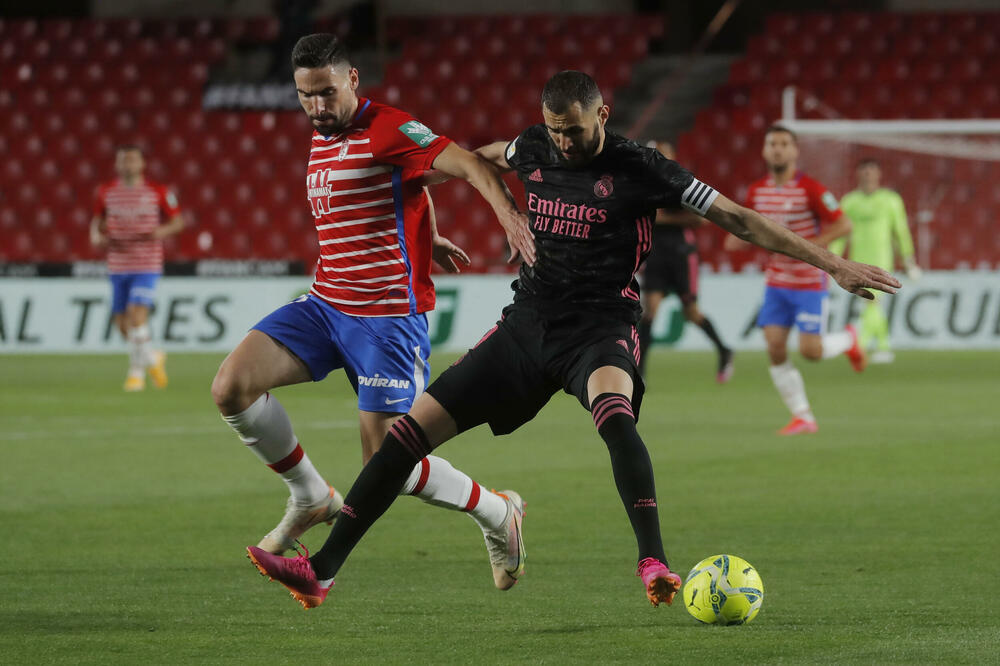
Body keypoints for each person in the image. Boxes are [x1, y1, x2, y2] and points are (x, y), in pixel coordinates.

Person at [244, 71, 899, 611]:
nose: (564, 142)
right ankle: (322, 572)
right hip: (527, 324)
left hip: (601, 328)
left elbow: (734, 216)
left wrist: (832, 263)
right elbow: (468, 161)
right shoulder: (532, 145)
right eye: (555, 130)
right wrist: (429, 229)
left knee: (615, 420)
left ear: (603, 115)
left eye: (576, 130)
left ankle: (653, 561)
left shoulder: (642, 166)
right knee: (403, 439)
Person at [212, 34, 537, 591]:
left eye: (327, 93)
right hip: (324, 303)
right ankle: (311, 495)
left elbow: (461, 162)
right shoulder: (324, 135)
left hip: (385, 320)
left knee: (386, 466)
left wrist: (508, 215)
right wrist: (427, 235)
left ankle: (497, 511)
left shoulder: (388, 127)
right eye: (305, 95)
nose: (317, 106)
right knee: (231, 387)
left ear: (353, 79)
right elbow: (405, 187)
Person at [724, 125, 867, 436]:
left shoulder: (811, 189)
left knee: (811, 352)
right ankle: (803, 416)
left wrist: (814, 244)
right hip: (776, 282)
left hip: (808, 281)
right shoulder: (757, 191)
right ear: (764, 151)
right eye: (772, 143)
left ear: (794, 151)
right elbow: (749, 227)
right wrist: (738, 239)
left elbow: (844, 224)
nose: (777, 149)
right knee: (774, 347)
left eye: (784, 144)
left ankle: (849, 340)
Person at [90, 145, 184, 392]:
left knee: (136, 314)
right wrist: (96, 236)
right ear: (117, 165)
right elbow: (97, 222)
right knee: (122, 324)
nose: (128, 164)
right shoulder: (106, 192)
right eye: (124, 160)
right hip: (118, 264)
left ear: (142, 164)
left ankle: (135, 375)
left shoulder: (158, 192)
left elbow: (178, 222)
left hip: (147, 264)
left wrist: (157, 232)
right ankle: (153, 358)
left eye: (132, 159)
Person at [638, 140, 733, 383]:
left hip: (681, 254)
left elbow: (703, 220)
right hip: (655, 253)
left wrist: (662, 220)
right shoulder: (641, 186)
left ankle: (724, 350)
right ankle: (640, 373)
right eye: (654, 154)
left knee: (691, 313)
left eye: (663, 154)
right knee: (649, 312)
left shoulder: (682, 184)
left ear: (672, 156)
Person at [829, 158, 921, 363]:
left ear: (878, 175)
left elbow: (900, 232)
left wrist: (908, 259)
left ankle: (859, 344)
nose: (868, 176)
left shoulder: (891, 200)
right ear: (858, 175)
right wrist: (831, 260)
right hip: (857, 260)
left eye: (871, 172)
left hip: (881, 259)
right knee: (872, 304)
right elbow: (841, 234)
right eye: (864, 172)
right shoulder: (850, 201)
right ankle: (883, 347)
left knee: (873, 302)